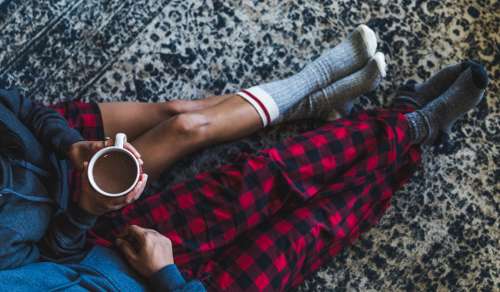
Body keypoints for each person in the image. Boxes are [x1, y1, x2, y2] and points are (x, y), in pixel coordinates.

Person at [0, 23, 487, 291]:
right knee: (315, 226)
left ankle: (351, 108)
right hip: (156, 271)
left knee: (253, 169)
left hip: (111, 240)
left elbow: (52, 254)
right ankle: (413, 127)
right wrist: (166, 277)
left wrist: (80, 189)